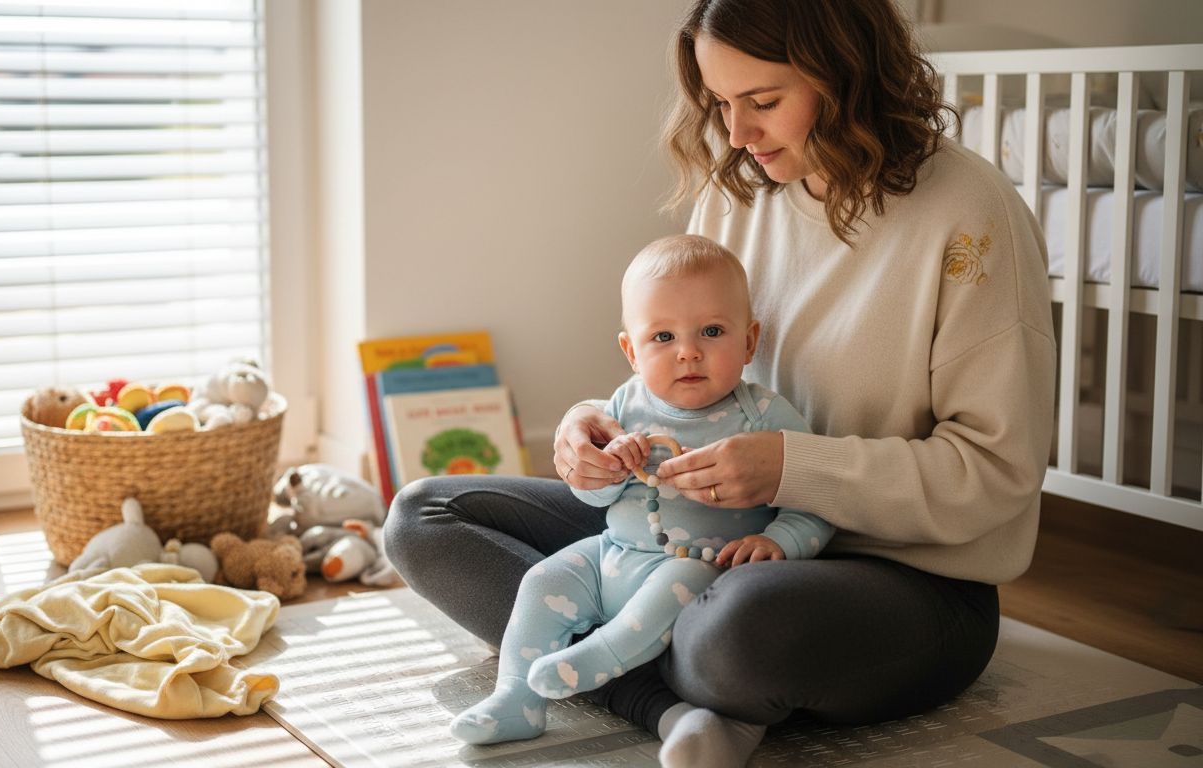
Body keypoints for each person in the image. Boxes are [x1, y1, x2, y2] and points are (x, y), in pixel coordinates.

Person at [385, 0, 1055, 765]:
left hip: (901, 579)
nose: (736, 134)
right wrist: (594, 426)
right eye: (721, 103)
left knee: (731, 632)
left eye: (762, 101)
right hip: (696, 542)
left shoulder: (971, 215)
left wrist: (791, 469)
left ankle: (644, 675)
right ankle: (678, 709)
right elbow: (685, 364)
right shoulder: (739, 195)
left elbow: (997, 472)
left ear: (847, 74)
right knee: (425, 517)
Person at [448, 234, 833, 747]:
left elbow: (817, 501)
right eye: (663, 337)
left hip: (698, 566)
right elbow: (593, 499)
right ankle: (516, 697)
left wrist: (778, 541)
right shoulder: (622, 406)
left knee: (678, 583)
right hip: (612, 554)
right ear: (631, 350)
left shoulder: (763, 416)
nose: (688, 351)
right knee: (542, 580)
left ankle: (600, 657)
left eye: (712, 331)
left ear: (749, 342)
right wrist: (605, 472)